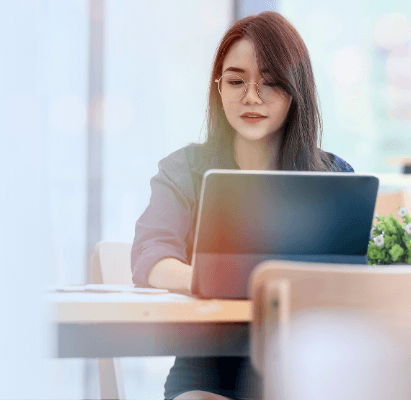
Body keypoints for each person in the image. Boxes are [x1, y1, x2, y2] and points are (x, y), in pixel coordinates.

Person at [130, 11, 354, 400]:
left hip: (308, 379)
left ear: (296, 90)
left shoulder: (335, 176)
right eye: (236, 81)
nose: (251, 96)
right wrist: (222, 281)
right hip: (206, 378)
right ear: (218, 89)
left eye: (270, 82)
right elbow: (151, 256)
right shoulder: (185, 169)